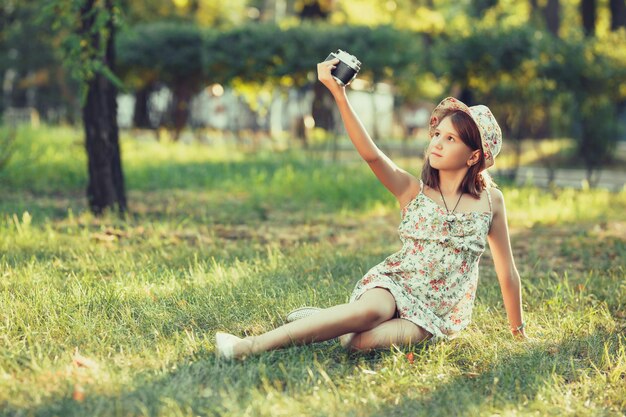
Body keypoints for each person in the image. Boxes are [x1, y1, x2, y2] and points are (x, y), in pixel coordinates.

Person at [214, 58, 527, 360]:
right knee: (372, 311)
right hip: (395, 284)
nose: (437, 143)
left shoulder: (491, 202)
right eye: (436, 134)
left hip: (435, 314)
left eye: (450, 138)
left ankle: (330, 319)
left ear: (474, 156)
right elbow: (372, 155)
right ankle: (249, 346)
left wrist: (519, 334)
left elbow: (507, 272)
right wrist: (339, 93)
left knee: (358, 343)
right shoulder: (412, 190)